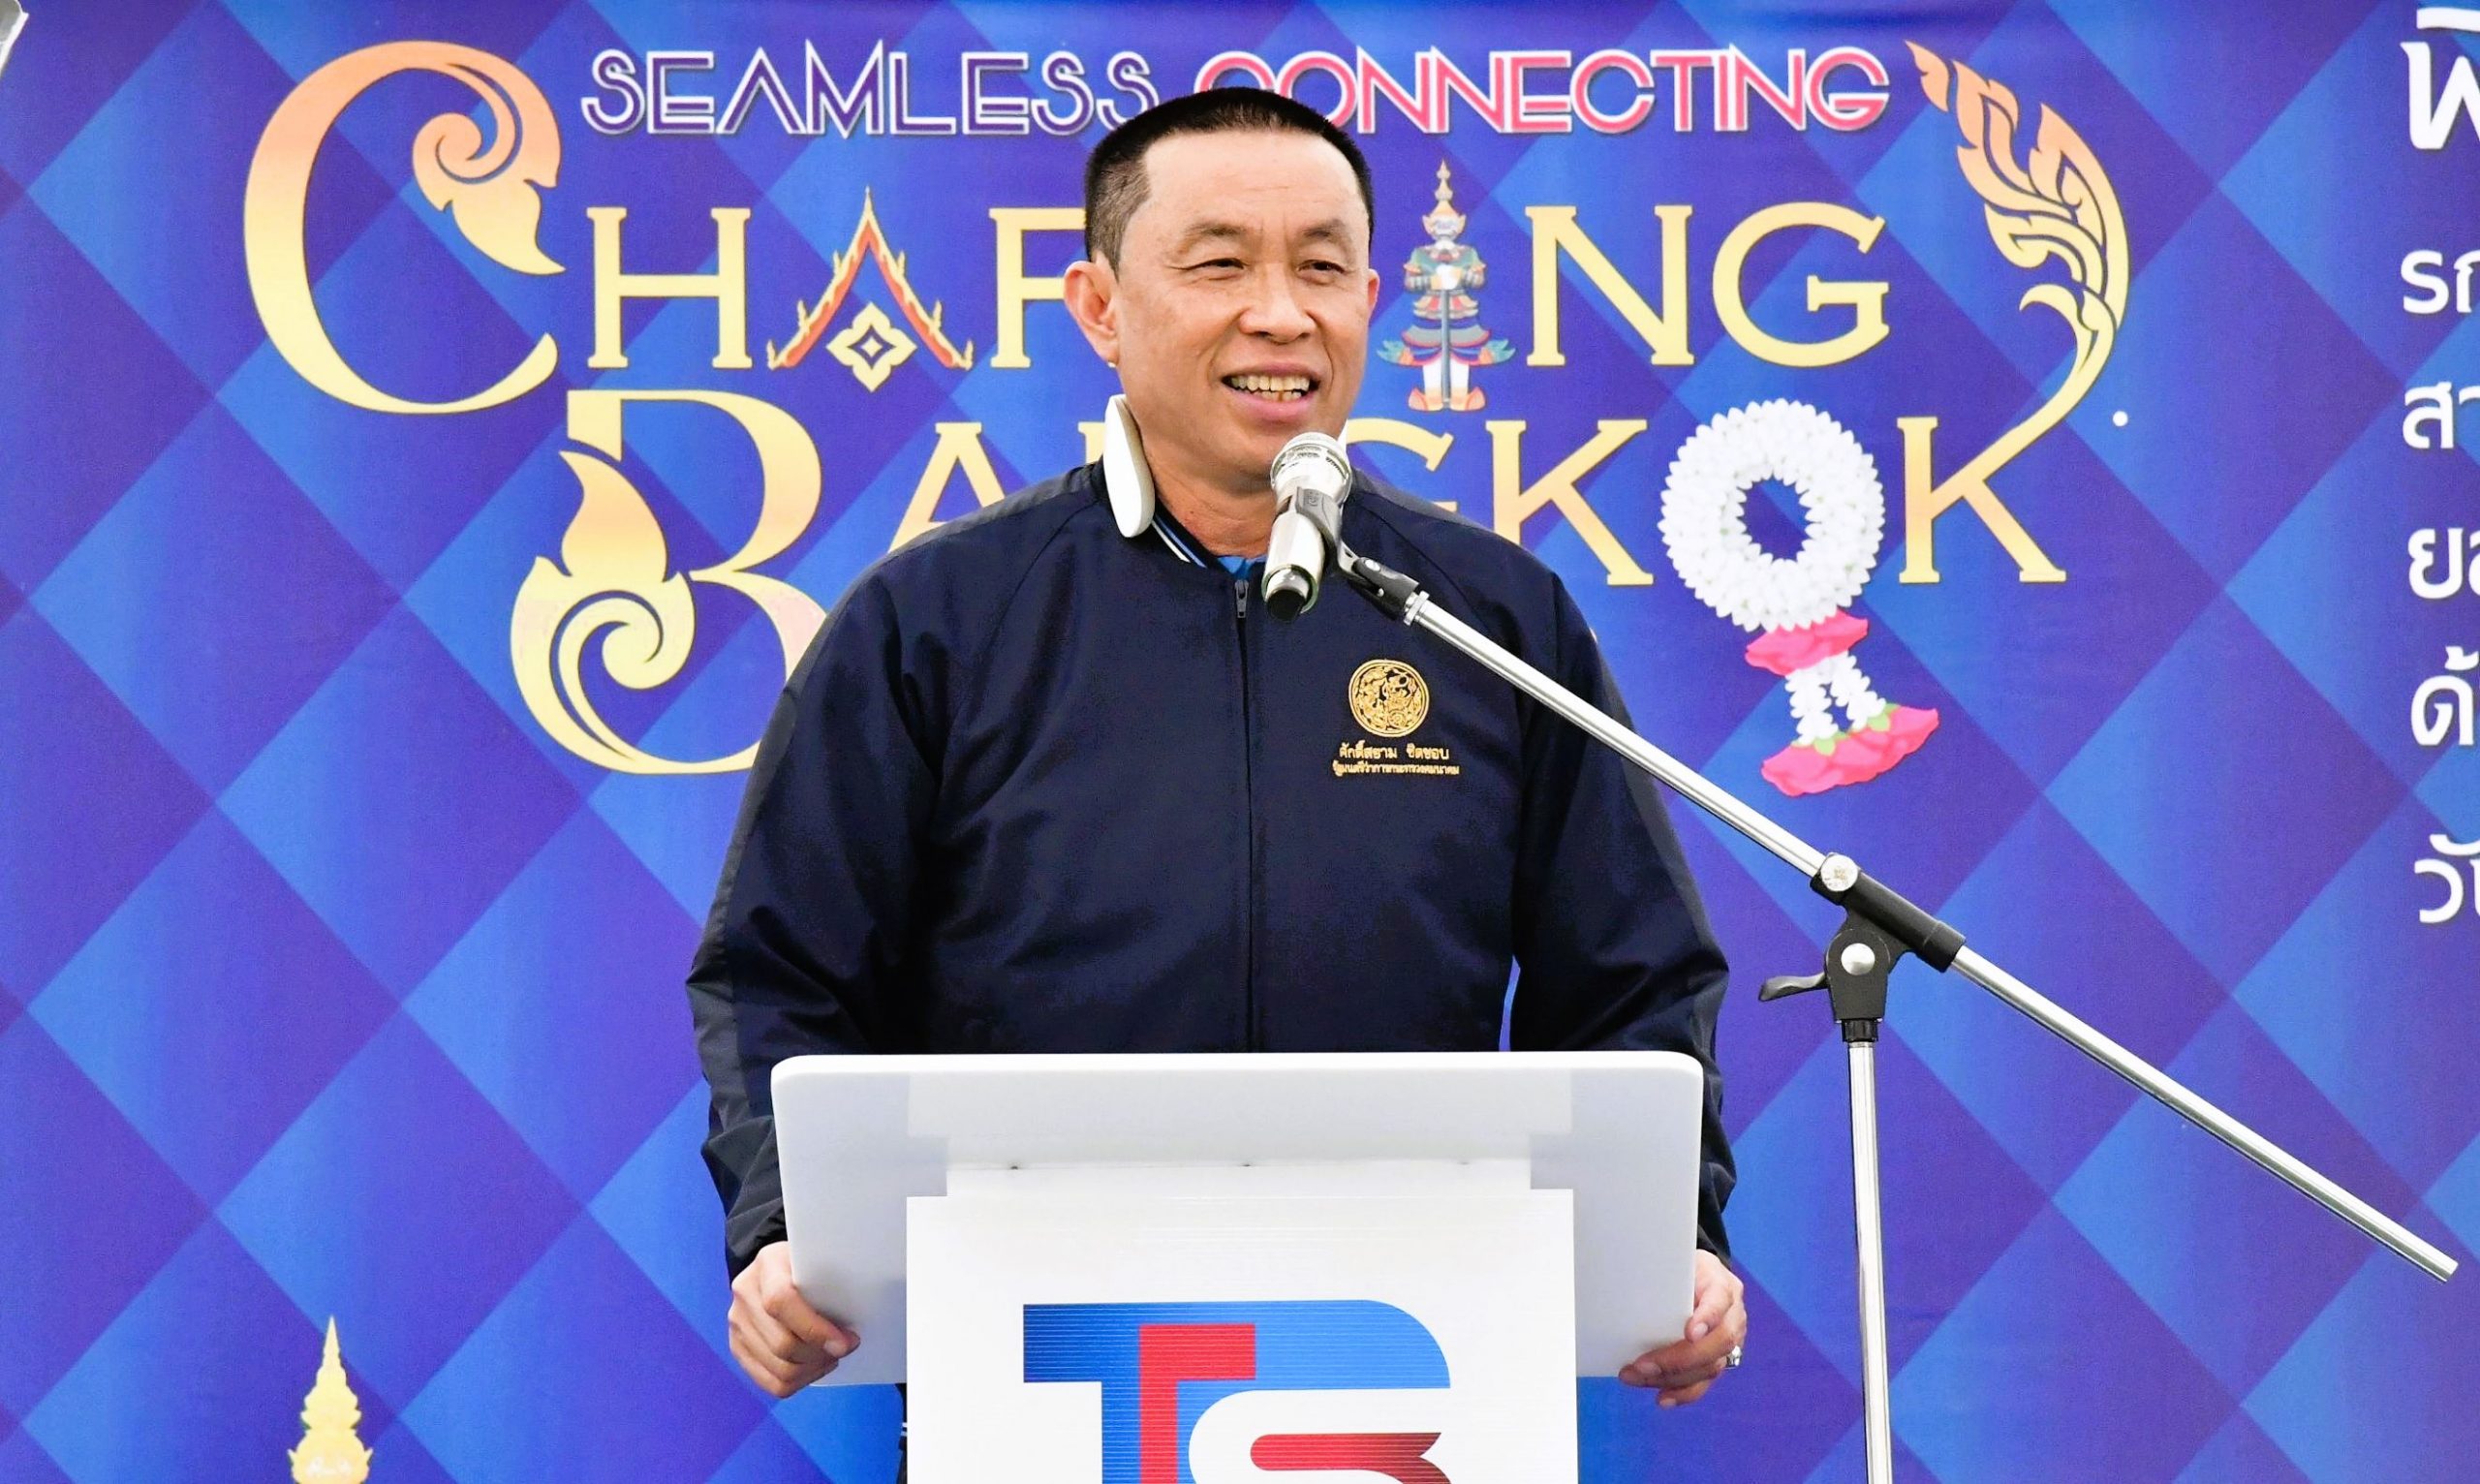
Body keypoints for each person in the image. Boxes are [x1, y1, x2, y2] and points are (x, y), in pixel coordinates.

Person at [687, 87, 1748, 1436]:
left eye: (1322, 268)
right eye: (1221, 265)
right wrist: (782, 1226)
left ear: (1372, 300)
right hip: (1038, 1352)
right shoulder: (938, 619)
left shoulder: (1488, 617)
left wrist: (1672, 1237)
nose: (1281, 315)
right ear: (1099, 307)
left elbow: (1636, 978)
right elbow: (781, 971)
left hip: (1416, 1357)